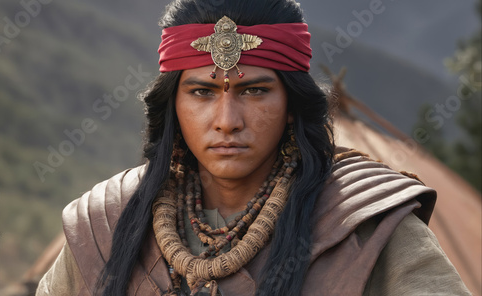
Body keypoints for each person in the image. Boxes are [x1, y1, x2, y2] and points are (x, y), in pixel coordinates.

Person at [36, 0, 471, 295]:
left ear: (290, 104)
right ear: (173, 105)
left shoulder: (365, 224)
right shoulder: (108, 224)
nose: (227, 120)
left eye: (255, 91)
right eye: (203, 92)